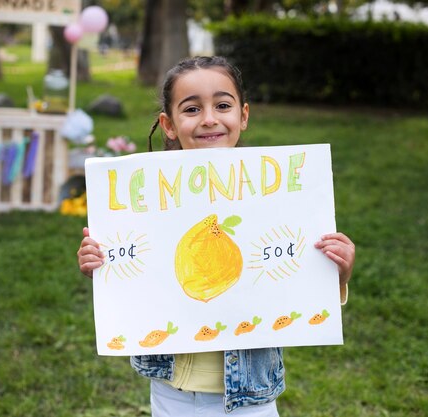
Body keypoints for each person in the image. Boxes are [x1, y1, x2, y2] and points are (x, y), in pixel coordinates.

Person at [77, 56, 356, 416]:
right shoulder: (148, 203)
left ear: (243, 115)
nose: (209, 118)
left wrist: (337, 275)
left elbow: (292, 284)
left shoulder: (276, 199)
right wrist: (103, 263)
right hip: (170, 392)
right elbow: (138, 275)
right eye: (192, 109)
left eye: (222, 105)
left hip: (249, 397)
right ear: (169, 124)